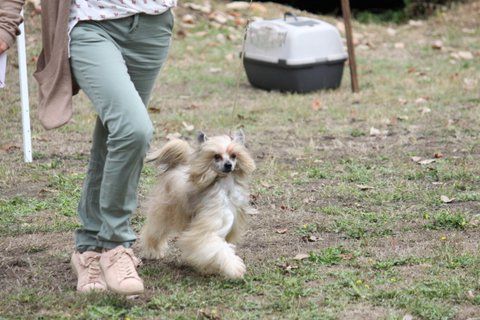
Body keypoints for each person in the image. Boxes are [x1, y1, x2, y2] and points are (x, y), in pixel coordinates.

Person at [0, 0, 176, 295]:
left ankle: (89, 251)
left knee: (115, 134)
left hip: (153, 26)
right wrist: (5, 23)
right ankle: (116, 243)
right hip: (90, 23)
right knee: (134, 129)